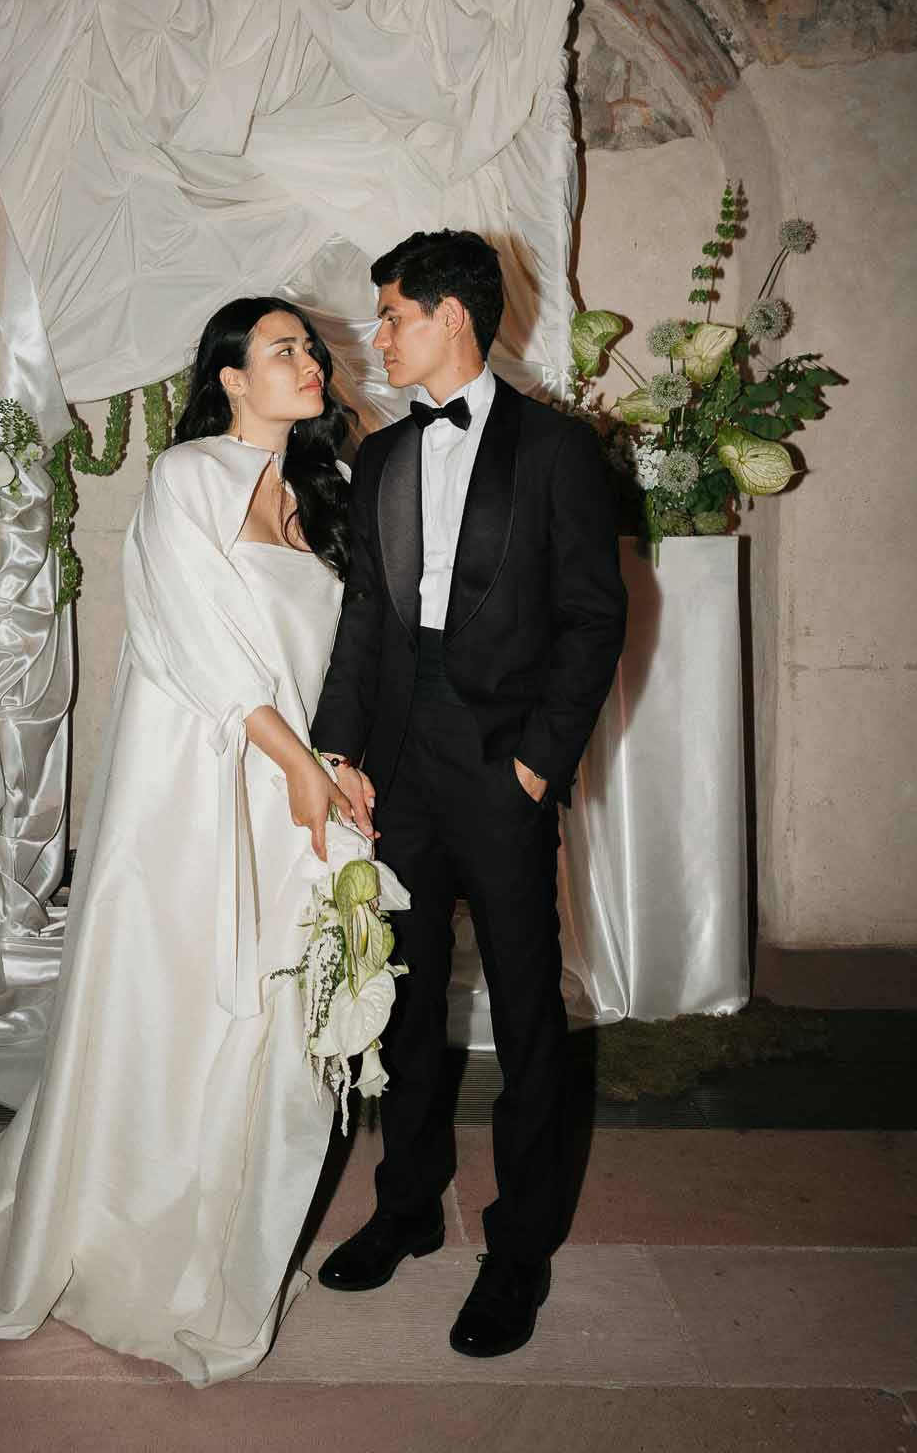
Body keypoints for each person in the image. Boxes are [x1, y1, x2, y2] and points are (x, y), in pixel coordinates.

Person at [0, 297, 376, 1386]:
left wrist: (339, 756)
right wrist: (304, 764)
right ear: (227, 376)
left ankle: (227, 1240)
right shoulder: (186, 480)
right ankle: (134, 1242)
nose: (309, 362)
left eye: (312, 348)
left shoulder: (332, 494)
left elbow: (345, 651)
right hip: (201, 789)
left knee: (274, 1018)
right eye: (283, 349)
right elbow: (198, 648)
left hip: (296, 789)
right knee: (178, 1006)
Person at [311, 229, 627, 1358]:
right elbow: (361, 619)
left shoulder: (556, 450)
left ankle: (519, 1248)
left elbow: (596, 619)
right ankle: (406, 1210)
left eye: (391, 312)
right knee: (401, 998)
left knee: (530, 1010)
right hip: (396, 765)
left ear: (452, 315)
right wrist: (336, 752)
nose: (378, 332)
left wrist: (538, 761)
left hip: (503, 764)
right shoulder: (385, 456)